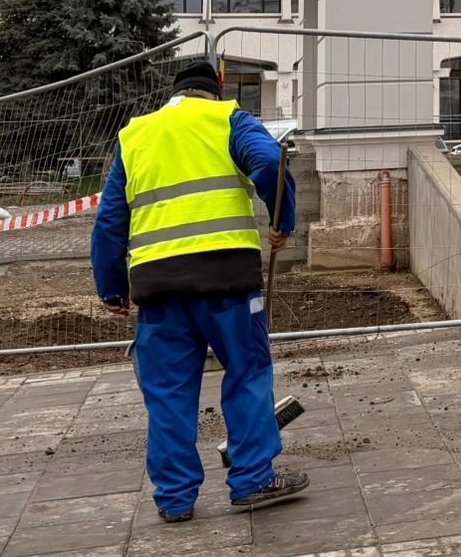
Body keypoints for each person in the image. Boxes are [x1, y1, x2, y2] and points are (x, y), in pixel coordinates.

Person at [91, 59, 309, 521]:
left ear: (175, 91)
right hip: (228, 282)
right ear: (217, 89)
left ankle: (174, 499)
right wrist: (282, 221)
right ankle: (253, 480)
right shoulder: (228, 119)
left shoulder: (136, 135)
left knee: (168, 394)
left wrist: (112, 288)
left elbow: (110, 219)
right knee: (247, 374)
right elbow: (271, 162)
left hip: (158, 289)